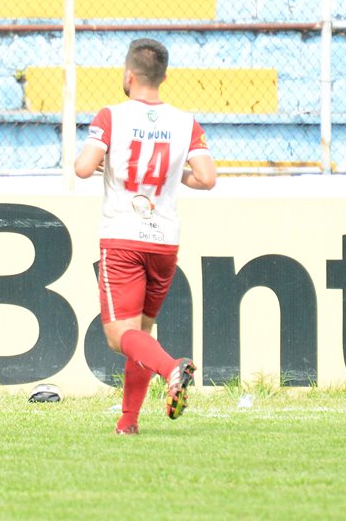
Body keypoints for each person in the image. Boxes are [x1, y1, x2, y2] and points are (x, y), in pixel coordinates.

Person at [74, 38, 217, 435]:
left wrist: (99, 160)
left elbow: (83, 168)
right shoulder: (186, 122)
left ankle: (172, 368)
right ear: (165, 77)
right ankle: (128, 422)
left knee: (121, 336)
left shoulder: (111, 116)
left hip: (122, 236)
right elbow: (207, 178)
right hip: (164, 241)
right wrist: (179, 175)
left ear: (128, 74)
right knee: (141, 333)